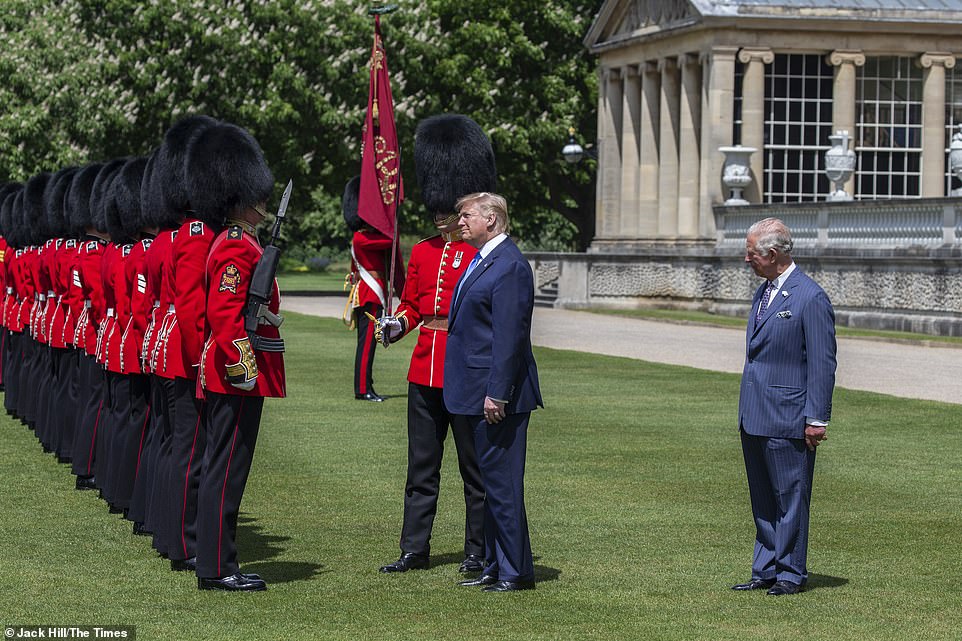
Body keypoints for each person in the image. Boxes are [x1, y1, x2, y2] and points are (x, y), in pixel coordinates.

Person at [376, 114, 494, 575]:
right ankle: (414, 548)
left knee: (473, 471)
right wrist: (393, 326)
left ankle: (475, 550)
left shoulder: (479, 253)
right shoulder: (424, 251)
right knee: (421, 469)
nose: (440, 213)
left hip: (464, 371)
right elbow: (413, 307)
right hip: (424, 370)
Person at [188, 122, 284, 592]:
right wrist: (243, 364)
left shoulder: (242, 243)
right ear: (240, 197)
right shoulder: (233, 247)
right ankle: (218, 567)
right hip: (233, 373)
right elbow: (225, 316)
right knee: (226, 468)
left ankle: (218, 561)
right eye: (257, 198)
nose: (263, 206)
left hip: (231, 370)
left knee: (224, 466)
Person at [443, 192, 542, 593]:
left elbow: (509, 338)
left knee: (501, 486)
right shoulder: (483, 260)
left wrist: (498, 393)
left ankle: (515, 571)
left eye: (466, 216)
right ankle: (494, 564)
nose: (459, 222)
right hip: (473, 389)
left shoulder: (509, 266)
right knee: (488, 483)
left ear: (492, 219)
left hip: (497, 395)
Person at [732, 217, 836, 596]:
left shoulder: (810, 297)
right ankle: (766, 569)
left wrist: (816, 419)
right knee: (762, 499)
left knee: (790, 498)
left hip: (789, 417)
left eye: (751, 253)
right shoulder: (763, 293)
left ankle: (791, 573)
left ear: (772, 254)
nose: (746, 260)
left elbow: (823, 364)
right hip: (755, 414)